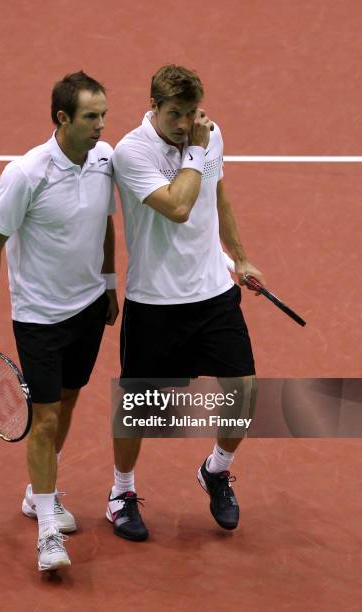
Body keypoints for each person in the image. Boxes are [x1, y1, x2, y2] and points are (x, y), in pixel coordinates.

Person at [0, 71, 119, 570]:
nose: (101, 125)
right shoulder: (26, 173)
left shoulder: (104, 161)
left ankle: (38, 494)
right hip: (40, 317)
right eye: (91, 117)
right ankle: (49, 530)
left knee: (69, 402)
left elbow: (106, 224)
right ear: (62, 118)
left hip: (89, 307)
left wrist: (111, 284)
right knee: (46, 416)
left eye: (103, 115)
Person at [108, 64, 263, 541]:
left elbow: (217, 195)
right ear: (153, 106)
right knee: (139, 410)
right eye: (174, 113)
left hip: (213, 292)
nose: (183, 123)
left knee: (244, 391)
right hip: (155, 301)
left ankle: (216, 470)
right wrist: (195, 148)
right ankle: (122, 493)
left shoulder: (208, 135)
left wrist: (242, 258)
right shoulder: (131, 152)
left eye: (191, 112)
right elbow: (177, 207)